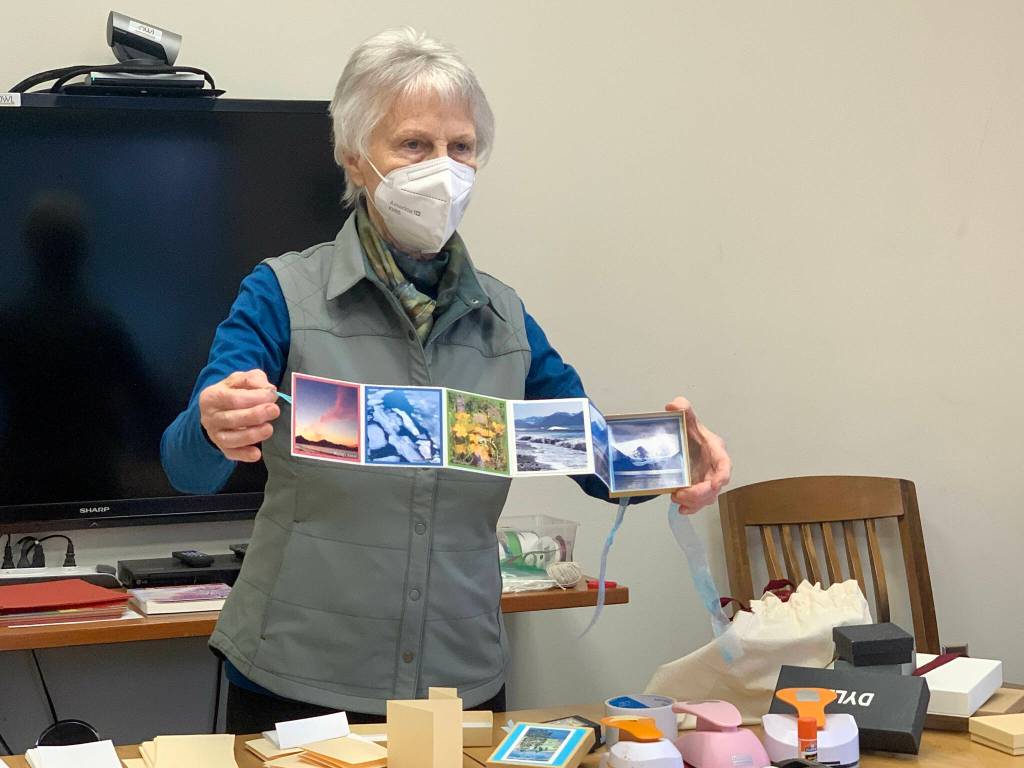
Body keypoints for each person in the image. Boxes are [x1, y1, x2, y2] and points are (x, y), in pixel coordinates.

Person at [161, 27, 731, 733]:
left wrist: (678, 459)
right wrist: (215, 424)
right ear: (354, 155)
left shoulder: (505, 317)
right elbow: (187, 464)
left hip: (460, 685)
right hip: (297, 678)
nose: (444, 168)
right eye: (413, 145)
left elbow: (593, 456)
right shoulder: (281, 293)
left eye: (461, 147)